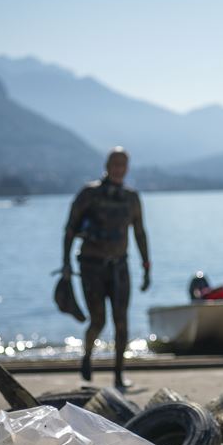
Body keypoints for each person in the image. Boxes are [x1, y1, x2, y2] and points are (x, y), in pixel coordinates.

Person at [62, 147, 151, 390]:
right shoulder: (89, 194)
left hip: (120, 267)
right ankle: (88, 355)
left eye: (124, 164)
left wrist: (146, 265)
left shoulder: (131, 198)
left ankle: (119, 375)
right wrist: (66, 263)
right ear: (107, 165)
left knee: (121, 322)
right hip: (92, 267)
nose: (119, 169)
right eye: (115, 164)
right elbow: (70, 229)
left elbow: (140, 233)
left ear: (127, 168)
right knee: (98, 321)